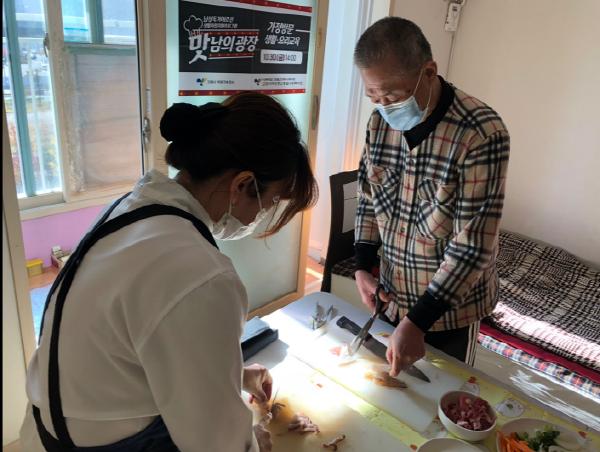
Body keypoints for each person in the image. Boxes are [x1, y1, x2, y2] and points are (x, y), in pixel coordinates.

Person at [20, 92, 318, 451]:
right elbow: (216, 444)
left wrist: (228, 373)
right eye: (270, 203)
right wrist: (251, 441)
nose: (261, 216)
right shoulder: (202, 275)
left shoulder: (134, 208)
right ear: (242, 185)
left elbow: (132, 338)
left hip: (51, 424)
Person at [352, 17, 510, 376]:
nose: (384, 107)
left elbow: (473, 245)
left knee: (444, 392)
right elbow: (367, 198)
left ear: (428, 71)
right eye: (374, 97)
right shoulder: (378, 123)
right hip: (392, 295)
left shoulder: (480, 133)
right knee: (391, 391)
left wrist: (420, 319)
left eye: (392, 96)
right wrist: (362, 265)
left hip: (449, 310)